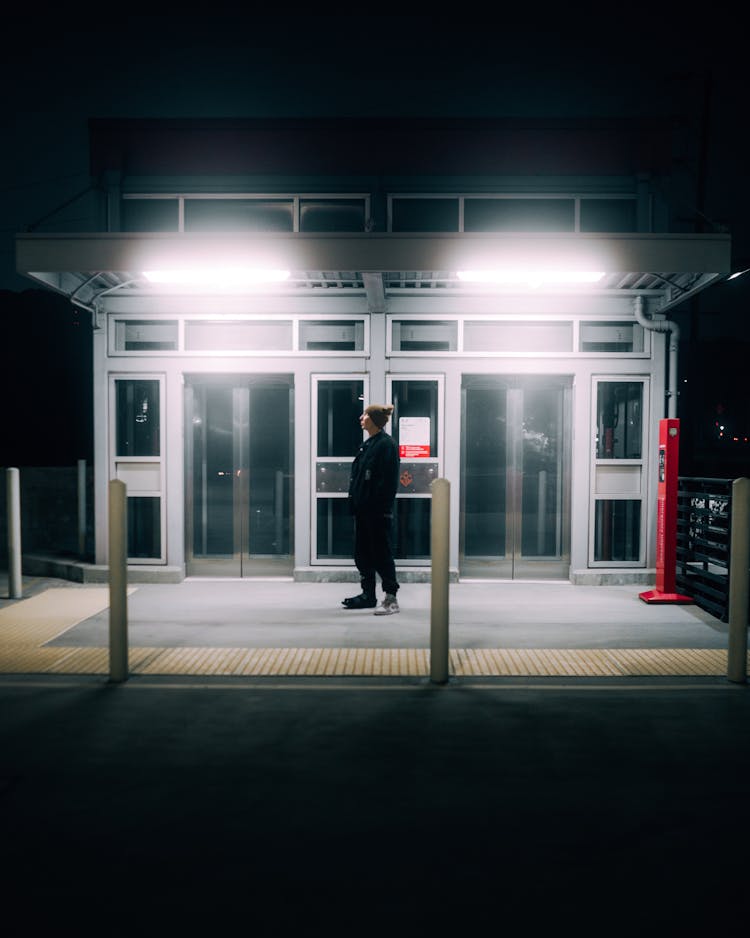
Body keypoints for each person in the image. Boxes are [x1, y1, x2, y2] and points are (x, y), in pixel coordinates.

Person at [342, 403, 401, 615]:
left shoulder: (386, 445)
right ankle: (368, 595)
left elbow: (387, 482)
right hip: (363, 511)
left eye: (365, 414)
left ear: (374, 420)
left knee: (381, 554)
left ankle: (391, 598)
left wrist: (380, 508)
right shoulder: (369, 444)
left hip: (376, 512)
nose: (361, 417)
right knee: (363, 554)